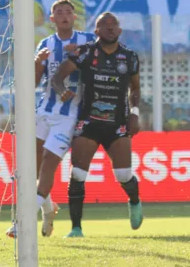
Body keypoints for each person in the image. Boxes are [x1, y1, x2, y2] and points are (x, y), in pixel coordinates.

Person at [4, 0, 96, 239]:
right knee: (30, 166)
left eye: (68, 12)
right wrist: (36, 64)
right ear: (52, 19)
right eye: (59, 13)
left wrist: (80, 55)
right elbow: (35, 83)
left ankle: (21, 222)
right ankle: (48, 208)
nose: (64, 16)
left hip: (70, 115)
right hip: (44, 110)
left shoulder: (87, 40)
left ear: (74, 17)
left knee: (48, 161)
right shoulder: (45, 44)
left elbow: (100, 62)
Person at [51, 13, 144, 238]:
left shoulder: (129, 57)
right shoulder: (86, 53)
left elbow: (136, 89)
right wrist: (62, 91)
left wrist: (134, 114)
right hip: (89, 122)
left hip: (117, 123)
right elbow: (57, 77)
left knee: (123, 175)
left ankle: (134, 201)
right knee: (79, 174)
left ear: (120, 31)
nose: (110, 29)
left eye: (114, 25)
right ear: (97, 31)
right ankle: (76, 228)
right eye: (105, 25)